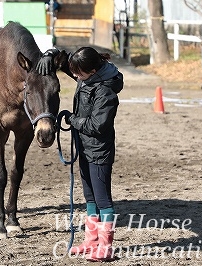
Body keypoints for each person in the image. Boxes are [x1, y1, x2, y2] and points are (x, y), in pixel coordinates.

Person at [36, 47, 123, 262]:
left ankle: (106, 246)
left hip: (99, 151)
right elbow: (65, 61)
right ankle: (91, 241)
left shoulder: (105, 91)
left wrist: (72, 120)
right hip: (84, 147)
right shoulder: (88, 77)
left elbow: (98, 125)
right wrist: (50, 54)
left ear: (92, 71)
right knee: (90, 198)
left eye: (78, 73)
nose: (74, 76)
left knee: (103, 200)